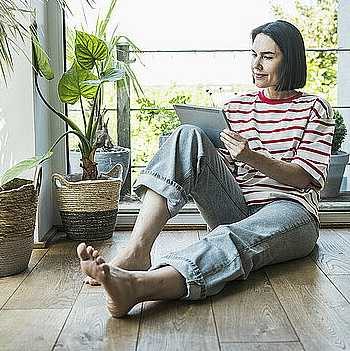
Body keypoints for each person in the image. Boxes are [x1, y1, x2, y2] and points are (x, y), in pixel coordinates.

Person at [77, 20, 335, 318]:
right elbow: (221, 173)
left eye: (268, 57)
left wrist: (252, 157)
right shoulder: (236, 108)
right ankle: (137, 251)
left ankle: (140, 286)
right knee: (187, 134)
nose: (256, 64)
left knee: (231, 237)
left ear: (290, 60)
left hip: (290, 212)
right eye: (254, 55)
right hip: (237, 206)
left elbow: (306, 178)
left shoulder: (315, 107)